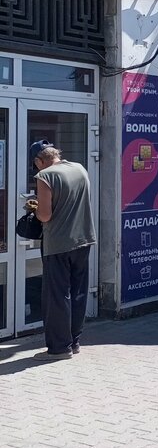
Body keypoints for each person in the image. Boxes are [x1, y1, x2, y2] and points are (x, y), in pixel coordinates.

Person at [29, 140, 96, 360]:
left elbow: (45, 215)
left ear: (39, 160)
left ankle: (59, 348)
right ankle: (74, 342)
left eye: (35, 163)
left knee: (57, 296)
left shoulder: (45, 176)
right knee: (78, 293)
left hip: (57, 244)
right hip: (83, 239)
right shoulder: (80, 169)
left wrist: (33, 208)